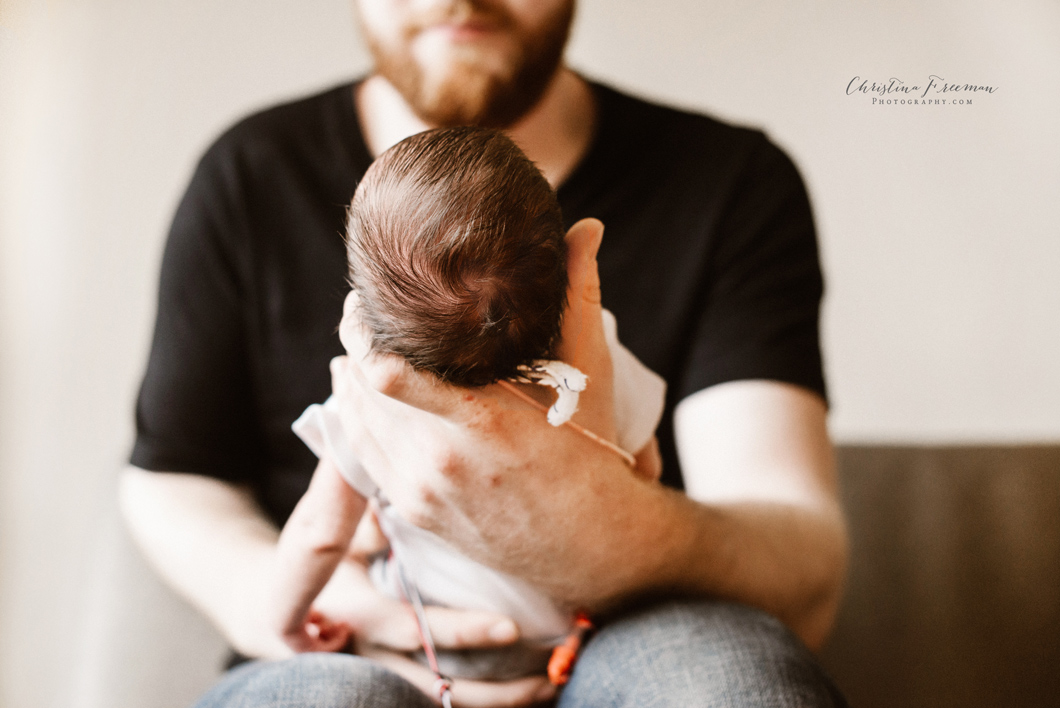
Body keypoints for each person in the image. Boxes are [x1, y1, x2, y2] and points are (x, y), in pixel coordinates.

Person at [120, 1, 850, 706]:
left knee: (723, 682)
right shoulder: (250, 173)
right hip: (364, 650)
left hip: (638, 629)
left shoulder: (732, 182)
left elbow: (798, 562)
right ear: (574, 260)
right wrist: (319, 616)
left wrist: (610, 527)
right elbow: (171, 475)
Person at [270, 126, 665, 685]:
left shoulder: (375, 405)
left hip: (439, 645)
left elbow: (319, 533)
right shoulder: (593, 364)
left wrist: (285, 626)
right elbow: (644, 474)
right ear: (563, 264)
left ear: (364, 307)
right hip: (574, 640)